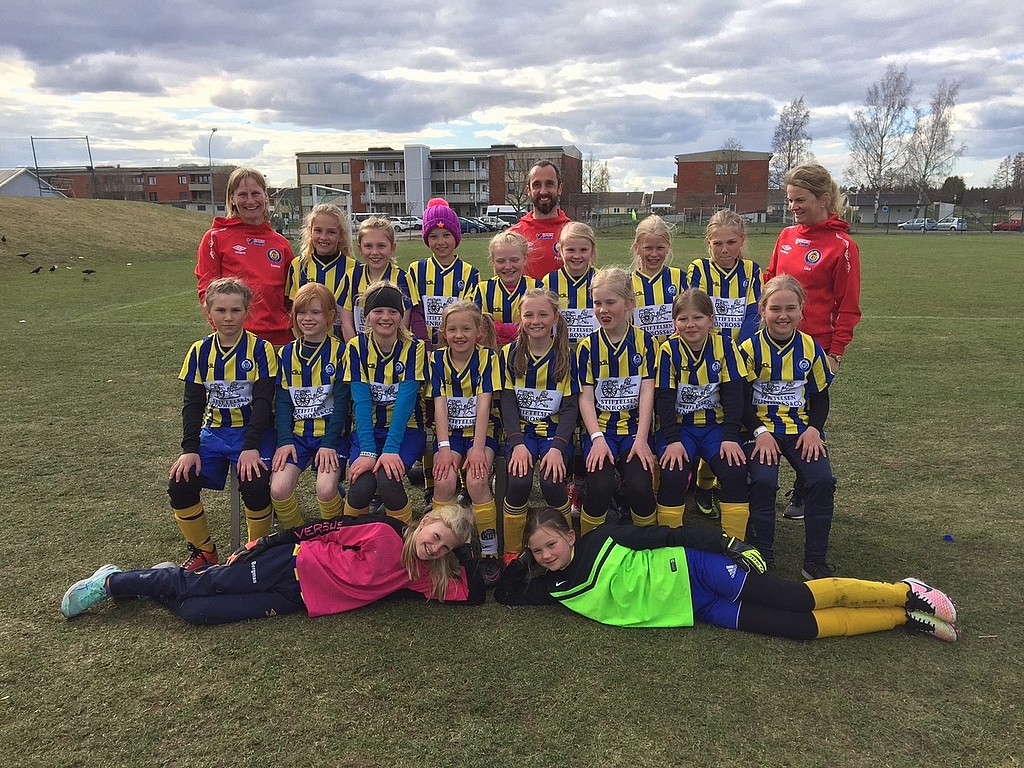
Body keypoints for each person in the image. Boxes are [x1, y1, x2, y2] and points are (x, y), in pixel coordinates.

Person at [494, 507, 959, 643]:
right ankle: (903, 618)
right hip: (698, 608)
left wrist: (727, 544)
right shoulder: (554, 588)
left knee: (798, 599)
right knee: (799, 629)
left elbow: (668, 534)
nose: (548, 554)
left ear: (570, 536)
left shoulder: (603, 539)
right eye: (539, 551)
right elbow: (507, 596)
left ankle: (904, 591)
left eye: (552, 544)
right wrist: (521, 561)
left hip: (701, 569)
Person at [61, 506, 486, 625]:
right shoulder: (383, 530)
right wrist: (264, 543)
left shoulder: (423, 576)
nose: (433, 548)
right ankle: (112, 582)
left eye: (443, 548)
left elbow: (475, 596)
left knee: (197, 612)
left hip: (297, 601)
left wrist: (463, 548)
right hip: (290, 563)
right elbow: (320, 529)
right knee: (201, 587)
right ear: (424, 523)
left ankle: (160, 578)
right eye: (434, 536)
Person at [764, 163, 862, 520]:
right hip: (773, 343)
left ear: (823, 199)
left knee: (807, 417)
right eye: (790, 200)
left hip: (815, 349)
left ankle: (808, 487)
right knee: (769, 409)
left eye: (800, 200)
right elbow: (769, 281)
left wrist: (836, 353)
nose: (793, 207)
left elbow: (848, 307)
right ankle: (760, 482)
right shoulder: (786, 236)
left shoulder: (843, 246)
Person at [168, 278, 278, 570]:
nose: (228, 317)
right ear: (209, 312)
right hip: (214, 433)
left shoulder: (261, 349)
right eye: (221, 310)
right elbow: (193, 405)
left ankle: (255, 552)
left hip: (254, 433)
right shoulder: (199, 351)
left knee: (255, 483)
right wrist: (190, 449)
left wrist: (251, 447)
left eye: (235, 310)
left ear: (247, 311)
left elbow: (263, 403)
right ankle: (204, 551)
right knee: (180, 483)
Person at [739, 275, 835, 579]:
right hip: (760, 431)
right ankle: (763, 557)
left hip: (800, 431)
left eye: (790, 308)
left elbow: (820, 397)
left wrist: (814, 430)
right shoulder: (749, 349)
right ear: (762, 310)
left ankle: (814, 561)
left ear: (801, 310)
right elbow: (740, 401)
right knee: (763, 482)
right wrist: (759, 432)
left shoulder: (810, 347)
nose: (783, 316)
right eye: (775, 308)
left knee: (822, 480)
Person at [685, 211, 763, 518]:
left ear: (742, 240)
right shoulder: (699, 269)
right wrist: (715, 348)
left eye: (731, 242)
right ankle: (699, 484)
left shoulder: (752, 271)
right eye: (717, 243)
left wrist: (737, 350)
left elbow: (753, 314)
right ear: (708, 242)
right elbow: (695, 309)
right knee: (705, 418)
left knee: (731, 419)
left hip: (739, 358)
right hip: (706, 356)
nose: (724, 249)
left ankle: (714, 483)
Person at [654, 289, 749, 537]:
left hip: (714, 428)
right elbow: (663, 399)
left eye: (697, 317)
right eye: (682, 319)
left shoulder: (725, 345)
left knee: (735, 470)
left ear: (710, 319)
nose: (690, 324)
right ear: (674, 322)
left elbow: (734, 394)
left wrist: (730, 436)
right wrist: (672, 440)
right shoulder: (668, 350)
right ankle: (670, 542)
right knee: (673, 473)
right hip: (679, 429)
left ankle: (734, 544)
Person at [407, 198, 480, 508]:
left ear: (456, 237)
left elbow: (470, 314)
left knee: (460, 413)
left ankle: (465, 484)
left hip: (458, 351)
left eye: (446, 235)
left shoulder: (470, 272)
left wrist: (451, 344)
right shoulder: (417, 270)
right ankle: (430, 482)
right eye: (434, 236)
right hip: (428, 354)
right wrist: (428, 345)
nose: (440, 242)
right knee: (431, 419)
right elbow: (415, 312)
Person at [499, 288, 579, 561]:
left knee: (552, 482)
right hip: (521, 433)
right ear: (520, 318)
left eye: (543, 314)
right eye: (529, 315)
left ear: (555, 317)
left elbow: (570, 408)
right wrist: (517, 443)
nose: (536, 321)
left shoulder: (567, 356)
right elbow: (508, 403)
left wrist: (557, 448)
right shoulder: (509, 353)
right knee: (519, 481)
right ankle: (512, 552)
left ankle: (566, 542)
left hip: (554, 435)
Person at [576, 267, 657, 532]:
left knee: (640, 486)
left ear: (629, 304)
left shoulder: (646, 342)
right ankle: (590, 545)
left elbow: (647, 392)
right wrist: (597, 439)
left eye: (610, 302)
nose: (603, 310)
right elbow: (585, 398)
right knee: (600, 486)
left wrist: (642, 439)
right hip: (601, 431)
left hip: (634, 431)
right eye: (597, 303)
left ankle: (647, 543)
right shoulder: (587, 346)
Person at [342, 281, 429, 523]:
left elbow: (405, 402)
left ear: (401, 315)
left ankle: (403, 537)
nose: (385, 317)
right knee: (361, 486)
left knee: (388, 481)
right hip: (368, 431)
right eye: (378, 311)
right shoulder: (356, 347)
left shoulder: (415, 347)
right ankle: (349, 539)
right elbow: (361, 402)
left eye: (393, 311)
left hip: (407, 430)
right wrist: (368, 450)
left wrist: (390, 449)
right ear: (367, 316)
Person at [429, 301, 503, 582]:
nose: (459, 335)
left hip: (481, 432)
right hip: (449, 434)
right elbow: (439, 404)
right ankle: (445, 545)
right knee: (444, 480)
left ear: (478, 332)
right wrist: (444, 448)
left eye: (465, 329)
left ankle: (489, 550)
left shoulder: (488, 358)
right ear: (443, 332)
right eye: (452, 329)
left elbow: (484, 405)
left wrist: (477, 449)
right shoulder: (436, 359)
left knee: (477, 479)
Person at [270, 283, 350, 528]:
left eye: (315, 312)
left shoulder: (341, 353)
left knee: (325, 489)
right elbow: (283, 403)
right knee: (278, 489)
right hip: (297, 437)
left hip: (331, 437)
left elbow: (342, 404)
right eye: (302, 312)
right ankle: (297, 536)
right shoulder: (285, 354)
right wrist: (285, 440)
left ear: (330, 316)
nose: (307, 318)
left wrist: (329, 443)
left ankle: (334, 536)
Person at [195, 168, 295, 346]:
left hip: (280, 341)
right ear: (232, 198)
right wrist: (227, 335)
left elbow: (292, 297)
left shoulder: (281, 243)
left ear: (265, 196)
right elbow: (207, 293)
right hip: (238, 340)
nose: (250, 201)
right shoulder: (214, 238)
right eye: (242, 194)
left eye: (255, 193)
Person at [285, 202, 357, 342]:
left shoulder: (354, 268)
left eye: (331, 232)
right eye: (318, 230)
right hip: (307, 345)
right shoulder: (298, 265)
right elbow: (292, 308)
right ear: (310, 232)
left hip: (343, 346)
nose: (324, 237)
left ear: (341, 236)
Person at [347, 216, 418, 335]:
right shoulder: (351, 276)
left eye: (381, 246)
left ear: (392, 248)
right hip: (358, 345)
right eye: (368, 246)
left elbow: (403, 325)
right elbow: (346, 322)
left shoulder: (403, 278)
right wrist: (356, 346)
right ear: (360, 248)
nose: (374, 252)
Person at [474, 230, 541, 346]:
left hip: (528, 352)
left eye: (514, 260)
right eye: (501, 261)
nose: (508, 266)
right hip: (492, 353)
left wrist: (497, 328)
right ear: (493, 262)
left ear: (525, 259)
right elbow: (478, 329)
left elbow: (540, 328)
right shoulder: (483, 289)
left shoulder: (537, 288)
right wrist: (518, 330)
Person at [510, 160, 573, 279]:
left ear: (560, 188)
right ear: (528, 190)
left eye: (549, 184)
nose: (543, 191)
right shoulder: (513, 235)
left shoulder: (573, 232)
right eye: (537, 185)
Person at [630, 214, 687, 344]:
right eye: (648, 248)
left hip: (674, 353)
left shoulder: (680, 278)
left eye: (660, 248)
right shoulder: (627, 284)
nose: (654, 254)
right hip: (640, 353)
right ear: (637, 248)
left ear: (667, 248)